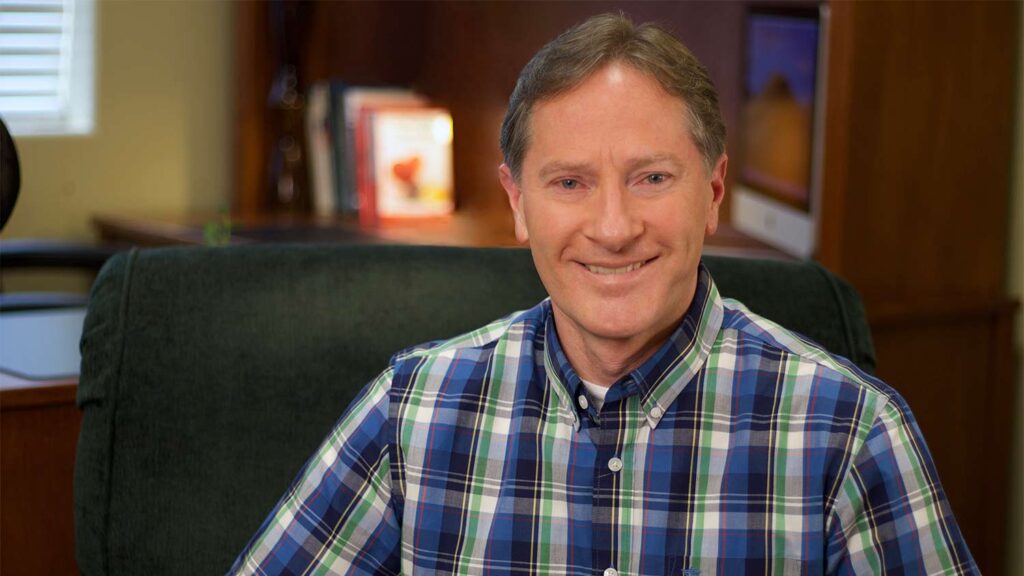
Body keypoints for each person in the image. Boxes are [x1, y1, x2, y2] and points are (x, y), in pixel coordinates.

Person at [230, 14, 974, 575]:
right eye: (569, 183)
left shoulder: (850, 433)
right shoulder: (412, 410)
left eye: (652, 177)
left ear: (713, 192)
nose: (614, 228)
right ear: (518, 203)